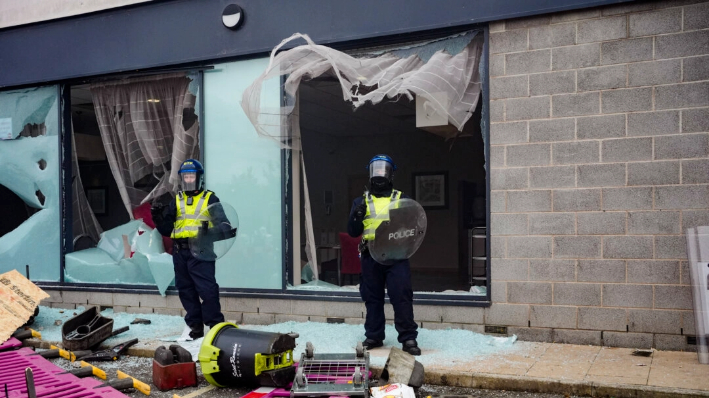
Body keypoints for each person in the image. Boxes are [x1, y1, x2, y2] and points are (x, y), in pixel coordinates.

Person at [347, 154, 421, 356]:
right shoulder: (360, 201)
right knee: (372, 298)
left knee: (402, 296)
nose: (379, 174)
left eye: (383, 170)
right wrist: (357, 215)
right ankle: (374, 336)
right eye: (376, 169)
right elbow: (353, 231)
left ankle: (408, 338)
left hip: (397, 257)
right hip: (371, 256)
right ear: (370, 173)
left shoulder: (401, 199)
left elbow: (413, 227)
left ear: (391, 173)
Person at [152, 159, 225, 339]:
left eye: (192, 176)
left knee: (207, 290)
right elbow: (167, 230)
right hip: (180, 252)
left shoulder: (210, 199)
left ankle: (216, 328)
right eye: (186, 176)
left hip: (201, 250)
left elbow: (224, 226)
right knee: (186, 290)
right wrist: (158, 217)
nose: (189, 180)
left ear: (199, 178)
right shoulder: (176, 200)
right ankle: (195, 327)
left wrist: (207, 232)